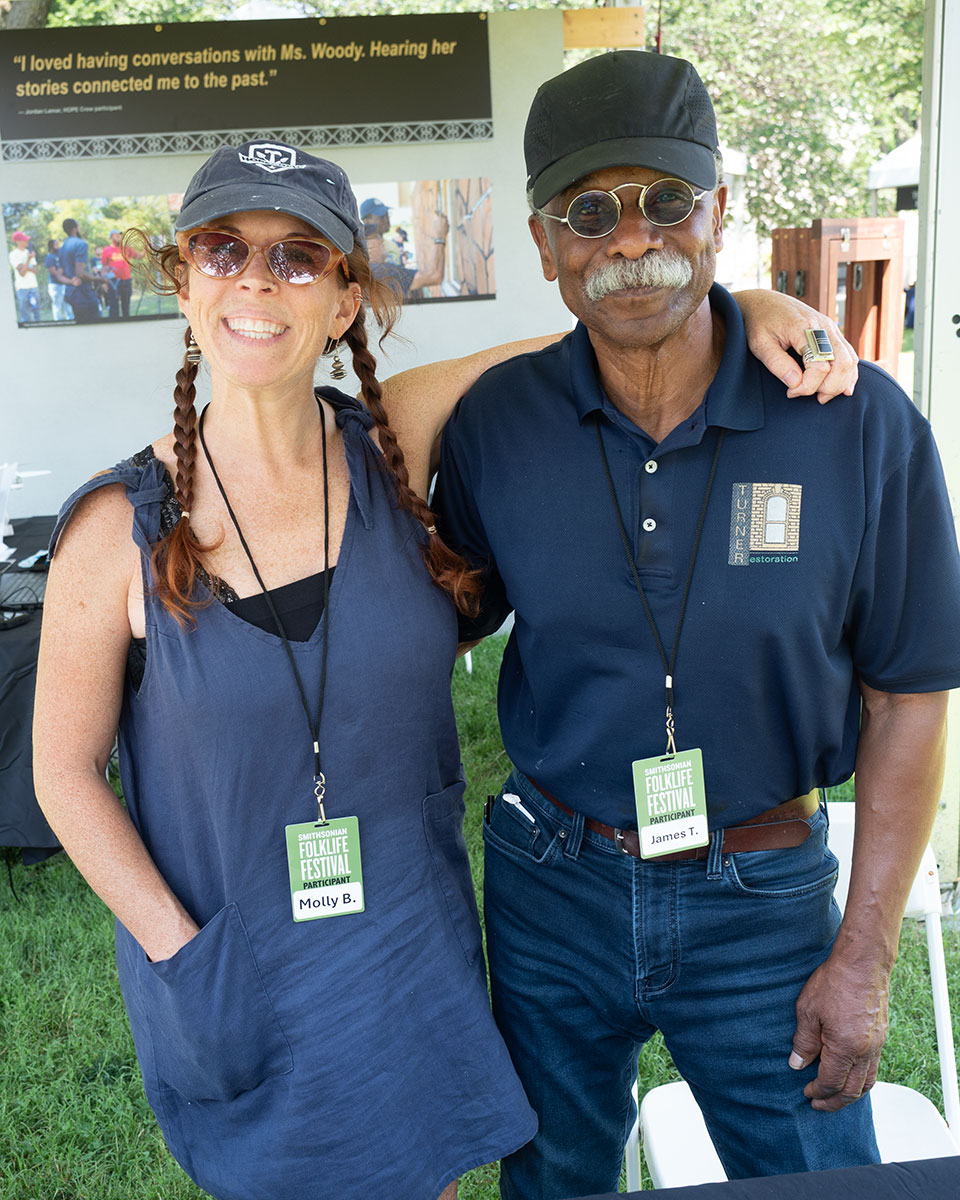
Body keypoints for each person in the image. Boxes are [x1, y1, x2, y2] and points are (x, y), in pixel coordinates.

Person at [33, 137, 854, 1199]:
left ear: (343, 301)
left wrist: (741, 304)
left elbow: (591, 335)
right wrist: (178, 948)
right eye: (222, 249)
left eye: (297, 257)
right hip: (240, 958)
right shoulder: (118, 529)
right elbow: (64, 773)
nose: (256, 282)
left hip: (407, 955)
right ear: (183, 281)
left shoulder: (394, 444)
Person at [431, 52, 960, 1197]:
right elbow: (440, 619)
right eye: (589, 212)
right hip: (552, 886)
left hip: (762, 899)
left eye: (665, 199)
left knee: (820, 1179)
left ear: (719, 210)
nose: (631, 236)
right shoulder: (497, 428)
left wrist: (866, 957)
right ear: (544, 243)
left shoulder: (854, 421)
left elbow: (910, 696)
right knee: (554, 1182)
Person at [362, 195, 449, 298]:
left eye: (387, 215)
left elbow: (403, 282)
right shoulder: (376, 269)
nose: (386, 219)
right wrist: (440, 236)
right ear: (366, 220)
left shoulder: (392, 246)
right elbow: (433, 275)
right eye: (381, 216)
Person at [60, 218, 107, 323]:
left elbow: (61, 274)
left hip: (71, 294)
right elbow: (80, 273)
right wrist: (99, 279)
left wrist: (70, 281)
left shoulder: (62, 247)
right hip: (84, 294)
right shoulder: (81, 244)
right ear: (75, 229)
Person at [102, 228, 141, 319]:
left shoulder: (126, 248)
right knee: (113, 307)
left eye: (120, 235)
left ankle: (126, 323)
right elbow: (104, 267)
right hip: (113, 281)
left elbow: (138, 256)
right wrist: (103, 282)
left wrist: (147, 250)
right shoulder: (107, 250)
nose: (119, 237)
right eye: (116, 235)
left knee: (126, 306)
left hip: (126, 280)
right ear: (111, 237)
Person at [9, 230, 39, 323]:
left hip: (34, 286)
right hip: (22, 288)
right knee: (26, 317)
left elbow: (35, 270)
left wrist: (26, 266)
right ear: (18, 241)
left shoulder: (29, 252)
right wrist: (29, 260)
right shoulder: (14, 254)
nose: (27, 241)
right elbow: (22, 273)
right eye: (24, 239)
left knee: (37, 315)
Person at [44, 238, 70, 321]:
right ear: (51, 246)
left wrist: (61, 271)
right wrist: (61, 270)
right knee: (57, 305)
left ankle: (70, 319)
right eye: (55, 244)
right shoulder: (50, 257)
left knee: (68, 304)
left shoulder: (60, 256)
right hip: (55, 285)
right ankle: (58, 321)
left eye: (58, 244)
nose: (58, 246)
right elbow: (53, 272)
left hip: (64, 284)